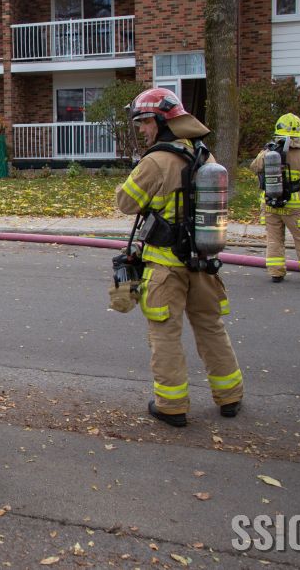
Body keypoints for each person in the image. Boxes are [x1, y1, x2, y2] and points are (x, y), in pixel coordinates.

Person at [115, 87, 243, 427]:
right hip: (203, 263)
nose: (142, 129)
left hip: (165, 268)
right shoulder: (205, 157)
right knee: (211, 329)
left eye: (145, 122)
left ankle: (171, 406)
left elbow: (126, 203)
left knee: (164, 335)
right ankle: (230, 396)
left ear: (161, 121)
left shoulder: (156, 161)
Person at [250, 113, 300, 284]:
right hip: (294, 205)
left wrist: (265, 152)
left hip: (270, 203)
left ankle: (276, 272)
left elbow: (254, 167)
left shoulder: (270, 151)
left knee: (274, 239)